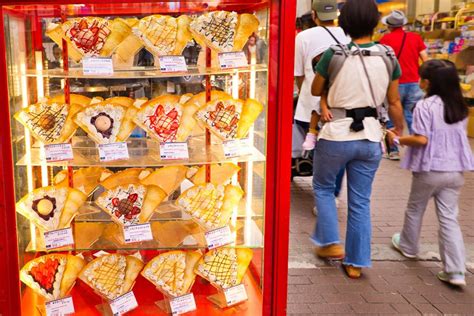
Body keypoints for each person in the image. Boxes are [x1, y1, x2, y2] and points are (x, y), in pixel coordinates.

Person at [310, 0, 405, 278]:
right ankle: (356, 262)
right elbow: (395, 100)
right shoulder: (388, 56)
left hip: (336, 134)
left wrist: (329, 82)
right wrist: (401, 130)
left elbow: (316, 88)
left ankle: (329, 242)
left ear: (345, 23)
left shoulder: (334, 54)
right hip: (370, 137)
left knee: (325, 188)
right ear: (376, 23)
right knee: (361, 202)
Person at [387, 60, 474, 287]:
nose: (419, 81)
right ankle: (455, 271)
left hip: (430, 169)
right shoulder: (460, 107)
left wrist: (397, 139)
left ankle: (408, 246)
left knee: (415, 208)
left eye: (421, 78)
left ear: (428, 83)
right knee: (449, 219)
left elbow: (421, 139)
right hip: (455, 170)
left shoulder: (425, 106)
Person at [294, 0, 349, 147]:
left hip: (310, 106)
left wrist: (302, 91)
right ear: (335, 14)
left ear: (314, 15)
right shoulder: (346, 36)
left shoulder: (303, 37)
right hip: (340, 105)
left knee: (313, 152)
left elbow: (299, 73)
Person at [380, 10, 429, 160]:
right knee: (413, 115)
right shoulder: (415, 37)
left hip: (394, 84)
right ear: (403, 24)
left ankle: (393, 150)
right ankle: (417, 150)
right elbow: (425, 59)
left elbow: (382, 63)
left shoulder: (385, 40)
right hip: (415, 82)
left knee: (392, 116)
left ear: (389, 25)